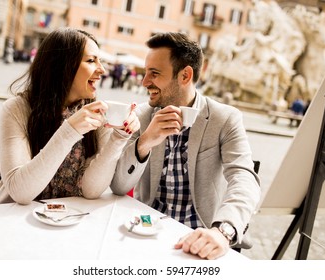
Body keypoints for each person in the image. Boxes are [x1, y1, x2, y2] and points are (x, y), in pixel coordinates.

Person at [110, 32, 260, 260]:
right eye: (146, 71)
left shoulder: (224, 118)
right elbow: (119, 187)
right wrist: (145, 142)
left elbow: (244, 178)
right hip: (147, 232)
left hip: (199, 236)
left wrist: (223, 231)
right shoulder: (141, 115)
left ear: (185, 75)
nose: (144, 81)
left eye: (155, 73)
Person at [0, 27, 140, 205]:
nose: (102, 70)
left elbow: (91, 191)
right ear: (61, 66)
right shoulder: (17, 108)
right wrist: (69, 131)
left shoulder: (97, 114)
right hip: (12, 219)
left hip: (67, 220)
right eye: (91, 61)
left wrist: (118, 138)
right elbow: (20, 193)